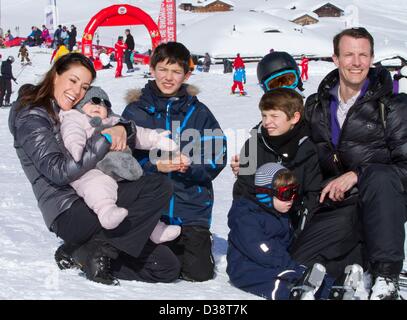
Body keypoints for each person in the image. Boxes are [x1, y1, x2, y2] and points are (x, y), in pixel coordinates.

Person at [8, 52, 181, 286]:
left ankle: (83, 251)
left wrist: (122, 129)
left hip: (98, 199)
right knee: (157, 186)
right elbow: (58, 171)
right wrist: (106, 140)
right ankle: (100, 248)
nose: (77, 91)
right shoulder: (32, 116)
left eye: (85, 86)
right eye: (73, 80)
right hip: (69, 210)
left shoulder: (71, 107)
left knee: (166, 267)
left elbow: (112, 120)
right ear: (56, 73)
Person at [231, 52, 363, 280]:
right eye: (275, 84)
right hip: (275, 222)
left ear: (298, 80)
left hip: (314, 212)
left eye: (288, 79)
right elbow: (244, 194)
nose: (285, 88)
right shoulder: (259, 138)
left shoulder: (317, 126)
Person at [304, 27, 407, 300]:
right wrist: (251, 160)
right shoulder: (316, 106)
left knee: (380, 177)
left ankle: (386, 277)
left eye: (363, 55)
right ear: (335, 59)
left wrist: (357, 174)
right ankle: (354, 269)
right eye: (349, 54)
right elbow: (291, 143)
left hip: (385, 200)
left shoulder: (393, 106)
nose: (357, 62)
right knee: (302, 257)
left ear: (372, 58)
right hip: (338, 201)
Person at [122, 42, 227, 282]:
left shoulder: (199, 113)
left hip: (189, 209)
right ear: (152, 69)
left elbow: (217, 153)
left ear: (187, 74)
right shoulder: (135, 111)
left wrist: (190, 166)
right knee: (162, 268)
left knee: (198, 274)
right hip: (149, 211)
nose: (168, 78)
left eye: (176, 71)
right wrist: (153, 166)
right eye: (163, 69)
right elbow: (121, 159)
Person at [227, 162, 366, 300]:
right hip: (246, 268)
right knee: (282, 279)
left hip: (276, 263)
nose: (291, 199)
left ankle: (335, 289)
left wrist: (295, 265)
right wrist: (289, 264)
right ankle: (296, 294)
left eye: (294, 192)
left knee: (304, 274)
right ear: (266, 193)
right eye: (286, 194)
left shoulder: (280, 215)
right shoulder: (245, 216)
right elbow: (259, 248)